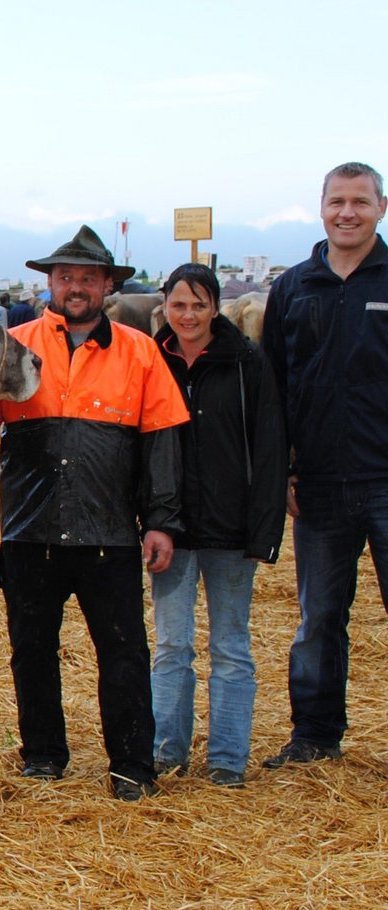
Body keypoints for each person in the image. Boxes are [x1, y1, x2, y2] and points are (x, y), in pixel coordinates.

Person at [0, 224, 188, 801]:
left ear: (107, 284)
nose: (75, 287)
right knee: (32, 651)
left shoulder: (140, 350)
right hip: (31, 532)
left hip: (111, 534)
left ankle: (132, 765)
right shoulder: (14, 346)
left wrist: (161, 521)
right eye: (64, 277)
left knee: (124, 653)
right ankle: (44, 757)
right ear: (49, 282)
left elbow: (162, 446)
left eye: (86, 277)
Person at [261, 161, 388, 770]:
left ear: (380, 209)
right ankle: (314, 736)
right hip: (318, 485)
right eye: (338, 201)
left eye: (360, 202)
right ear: (321, 207)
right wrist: (283, 469)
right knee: (319, 620)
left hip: (386, 478)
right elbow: (276, 388)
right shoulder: (293, 288)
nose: (348, 212)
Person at [149, 263, 287, 788]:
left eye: (199, 305)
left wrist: (264, 529)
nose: (188, 315)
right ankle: (168, 752)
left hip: (232, 527)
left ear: (215, 309)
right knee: (171, 645)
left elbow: (269, 444)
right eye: (180, 305)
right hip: (172, 526)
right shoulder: (153, 361)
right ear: (166, 306)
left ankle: (228, 758)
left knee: (230, 646)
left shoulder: (247, 362)